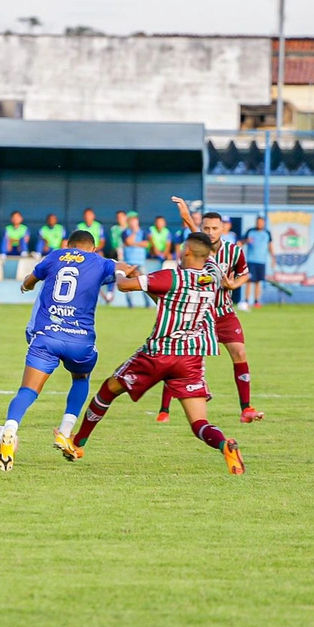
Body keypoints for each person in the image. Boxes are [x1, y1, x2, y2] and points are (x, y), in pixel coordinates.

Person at [54, 232, 245, 475]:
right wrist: (143, 279)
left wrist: (124, 272)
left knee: (107, 390)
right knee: (199, 423)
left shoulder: (171, 276)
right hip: (191, 358)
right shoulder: (213, 276)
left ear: (186, 252)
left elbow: (123, 287)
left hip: (159, 353)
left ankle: (77, 443)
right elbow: (166, 298)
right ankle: (224, 445)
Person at [0, 229, 137, 471]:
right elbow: (127, 268)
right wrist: (124, 270)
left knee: (28, 390)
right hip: (79, 341)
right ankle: (64, 432)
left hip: (46, 336)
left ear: (68, 245)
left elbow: (30, 280)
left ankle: (9, 431)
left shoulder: (55, 256)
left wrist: (26, 287)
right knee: (81, 379)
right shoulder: (101, 262)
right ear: (92, 247)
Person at [163, 198, 263, 424]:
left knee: (239, 353)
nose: (210, 232)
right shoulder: (196, 249)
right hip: (198, 313)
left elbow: (244, 273)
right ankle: (164, 410)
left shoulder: (233, 251)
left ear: (223, 229)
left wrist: (234, 285)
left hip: (223, 312)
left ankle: (246, 408)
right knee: (178, 355)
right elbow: (189, 224)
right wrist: (185, 213)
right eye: (206, 228)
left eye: (214, 228)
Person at [242, 215, 276, 310]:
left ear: (264, 223)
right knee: (249, 280)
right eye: (258, 222)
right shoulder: (250, 231)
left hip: (261, 261)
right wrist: (246, 241)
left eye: (261, 222)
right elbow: (241, 242)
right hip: (251, 260)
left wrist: (273, 259)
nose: (259, 224)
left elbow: (270, 247)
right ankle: (246, 300)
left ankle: (257, 301)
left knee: (258, 282)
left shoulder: (267, 233)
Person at [120, 212, 149, 308]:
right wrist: (134, 232)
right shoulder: (125, 232)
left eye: (134, 220)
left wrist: (134, 243)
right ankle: (130, 304)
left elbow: (146, 244)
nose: (133, 223)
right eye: (131, 221)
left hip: (140, 261)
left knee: (145, 282)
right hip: (129, 261)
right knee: (128, 283)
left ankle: (147, 303)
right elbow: (128, 241)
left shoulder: (144, 232)